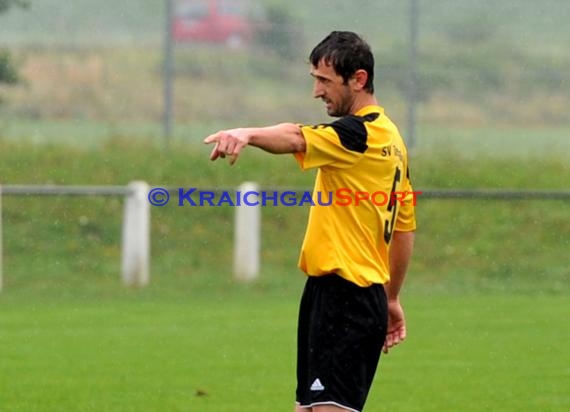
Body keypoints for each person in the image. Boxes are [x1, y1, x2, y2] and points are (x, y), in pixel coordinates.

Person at [204, 31, 417, 412]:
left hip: (346, 296)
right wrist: (391, 297)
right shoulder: (393, 141)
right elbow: (403, 228)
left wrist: (247, 133)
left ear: (359, 79)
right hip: (344, 295)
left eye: (325, 81)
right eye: (315, 80)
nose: (317, 92)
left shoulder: (358, 134)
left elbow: (295, 137)